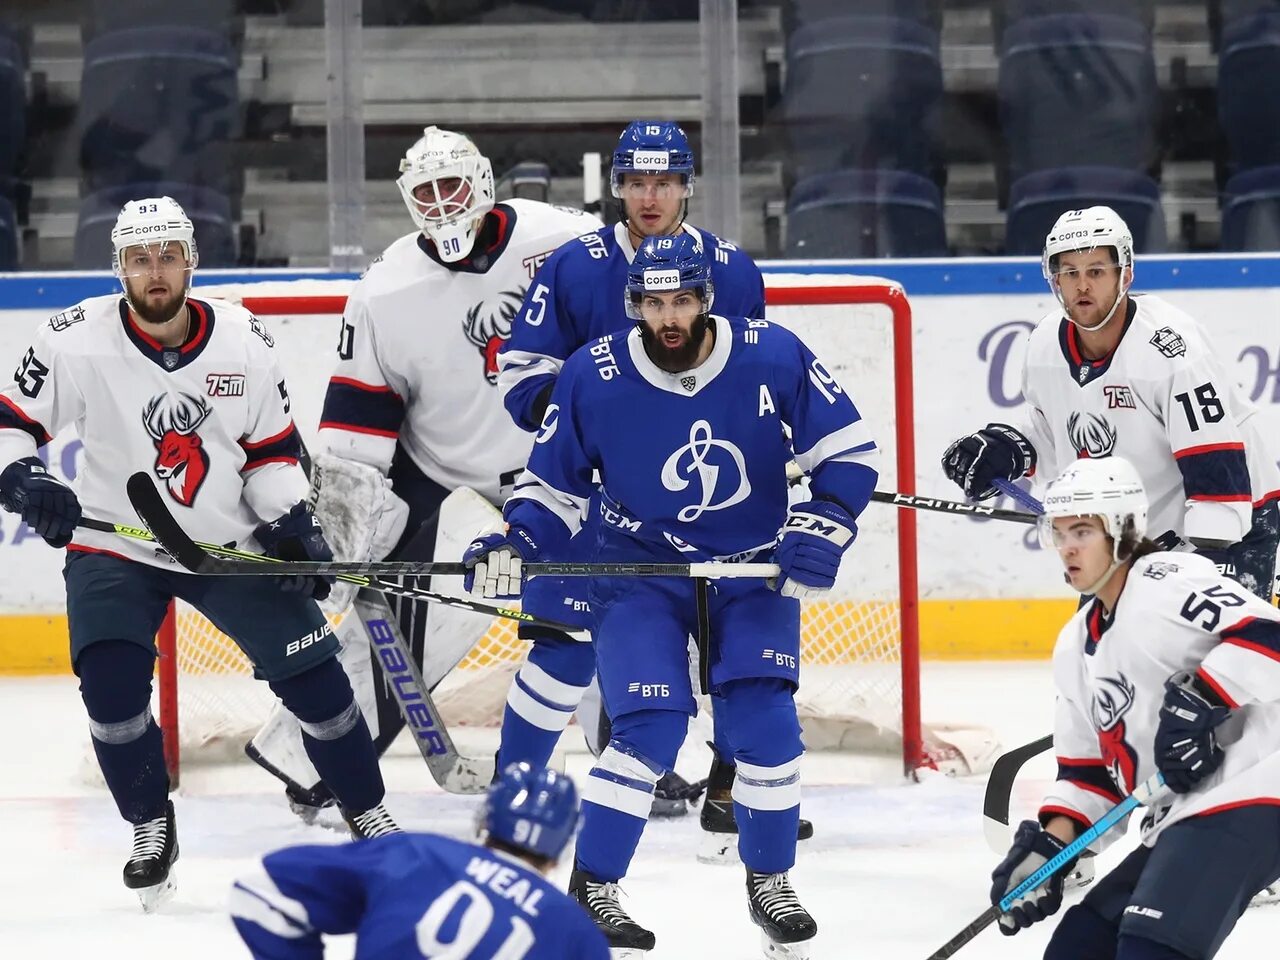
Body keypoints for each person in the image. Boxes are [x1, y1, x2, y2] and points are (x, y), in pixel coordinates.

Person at [465, 234, 879, 955]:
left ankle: (771, 882)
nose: (669, 317)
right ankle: (594, 887)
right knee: (648, 730)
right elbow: (551, 488)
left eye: (682, 300)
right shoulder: (591, 376)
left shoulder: (772, 353)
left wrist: (827, 521)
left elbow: (847, 452)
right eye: (654, 303)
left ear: (705, 299)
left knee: (767, 729)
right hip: (637, 572)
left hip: (750, 572)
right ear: (634, 306)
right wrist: (517, 544)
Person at [0, 197, 399, 910]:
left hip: (227, 546)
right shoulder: (72, 339)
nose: (155, 273)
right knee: (112, 693)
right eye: (139, 260)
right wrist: (25, 475)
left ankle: (365, 808)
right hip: (116, 544)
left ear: (191, 261)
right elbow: (10, 423)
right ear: (119, 267)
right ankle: (151, 824)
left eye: (167, 257)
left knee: (317, 684)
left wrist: (289, 523)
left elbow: (270, 450)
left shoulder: (242, 337)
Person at [245, 125, 602, 817]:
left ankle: (637, 750)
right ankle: (318, 760)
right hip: (443, 472)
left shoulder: (568, 243)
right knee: (396, 620)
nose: (441, 205)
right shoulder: (385, 289)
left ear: (486, 183)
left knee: (601, 603)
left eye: (453, 186)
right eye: (425, 192)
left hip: (558, 470)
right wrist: (337, 545)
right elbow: (356, 432)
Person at [496, 120, 777, 833]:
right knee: (564, 645)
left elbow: (750, 377)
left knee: (728, 650)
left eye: (665, 182)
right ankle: (514, 792)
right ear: (617, 186)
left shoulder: (733, 270)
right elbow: (522, 375)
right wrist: (600, 426)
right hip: (588, 500)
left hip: (692, 502)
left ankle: (729, 792)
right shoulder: (574, 265)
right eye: (636, 182)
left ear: (686, 186)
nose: (650, 197)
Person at [990, 455, 1280, 959]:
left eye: (1082, 530)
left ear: (1123, 530)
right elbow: (1089, 775)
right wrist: (1051, 848)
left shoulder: (1167, 581)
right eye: (1058, 533)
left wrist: (1204, 698)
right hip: (1182, 811)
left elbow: (1269, 635)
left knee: (1152, 949)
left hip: (1256, 782)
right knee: (1079, 950)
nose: (1067, 548)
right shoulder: (1075, 644)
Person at [943, 206, 1280, 603]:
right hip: (1131, 531)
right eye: (1070, 273)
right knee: (1103, 653)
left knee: (1203, 652)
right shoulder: (1045, 344)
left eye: (1096, 271)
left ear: (1126, 274)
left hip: (1235, 519)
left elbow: (1217, 472)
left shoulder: (1170, 353)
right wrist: (1008, 452)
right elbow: (1055, 439)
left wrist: (1200, 565)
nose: (1082, 286)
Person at [231, 762, 610, 959]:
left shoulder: (415, 856)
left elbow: (260, 890)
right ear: (560, 850)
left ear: (485, 823)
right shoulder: (576, 933)